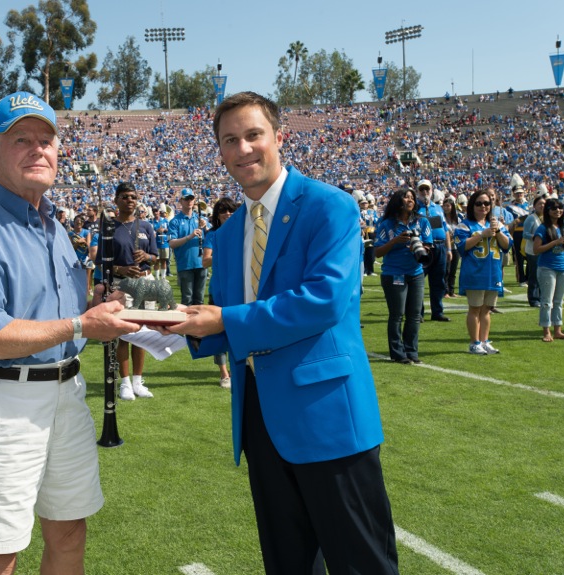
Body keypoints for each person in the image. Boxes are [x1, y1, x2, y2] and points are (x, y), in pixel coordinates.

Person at [166, 92, 399, 574]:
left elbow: (324, 300)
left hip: (327, 415)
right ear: (221, 152)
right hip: (258, 415)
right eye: (231, 140)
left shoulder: (330, 205)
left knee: (362, 564)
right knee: (287, 563)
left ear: (278, 137)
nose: (244, 148)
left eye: (253, 135)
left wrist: (225, 321)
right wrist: (166, 327)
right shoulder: (228, 233)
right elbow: (226, 318)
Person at [0, 91, 138, 575]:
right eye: (20, 138)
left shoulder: (53, 226)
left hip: (66, 392)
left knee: (69, 531)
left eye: (46, 140)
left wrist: (98, 313)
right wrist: (82, 324)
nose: (37, 149)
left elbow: (61, 318)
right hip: (1, 400)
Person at [98, 182, 159, 401]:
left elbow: (156, 256)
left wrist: (147, 257)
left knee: (142, 334)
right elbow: (100, 262)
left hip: (145, 282)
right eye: (124, 197)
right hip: (122, 284)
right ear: (116, 200)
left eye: (133, 196)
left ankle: (137, 381)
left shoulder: (146, 226)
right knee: (124, 334)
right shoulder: (108, 227)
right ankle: (124, 382)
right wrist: (120, 268)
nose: (129, 200)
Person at [374, 189, 433, 364]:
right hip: (394, 273)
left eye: (412, 198)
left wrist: (419, 247)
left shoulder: (422, 222)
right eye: (406, 197)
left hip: (416, 272)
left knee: (414, 315)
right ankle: (398, 353)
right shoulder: (386, 224)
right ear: (397, 201)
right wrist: (395, 241)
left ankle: (411, 351)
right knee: (397, 314)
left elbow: (429, 246)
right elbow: (377, 252)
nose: (410, 200)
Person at [454, 190, 513, 355]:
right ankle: (474, 342)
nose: (483, 206)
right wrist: (482, 235)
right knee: (475, 308)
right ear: (472, 205)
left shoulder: (497, 224)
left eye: (486, 203)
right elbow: (462, 247)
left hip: (493, 272)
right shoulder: (464, 225)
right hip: (475, 272)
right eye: (479, 203)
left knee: (487, 309)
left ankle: (485, 340)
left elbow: (507, 245)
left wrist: (498, 231)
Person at [202, 196, 238, 389]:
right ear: (217, 215)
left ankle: (237, 369)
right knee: (218, 331)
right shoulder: (212, 234)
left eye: (230, 210)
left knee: (238, 327)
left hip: (239, 288)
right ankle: (224, 373)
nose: (227, 214)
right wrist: (223, 254)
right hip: (218, 288)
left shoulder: (243, 232)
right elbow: (205, 261)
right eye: (223, 211)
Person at [533, 198, 564, 342]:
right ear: (548, 211)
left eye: (560, 208)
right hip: (547, 268)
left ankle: (558, 330)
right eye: (554, 208)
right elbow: (536, 249)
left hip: (563, 267)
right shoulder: (542, 228)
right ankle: (546, 331)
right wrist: (555, 242)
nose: (558, 211)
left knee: (558, 301)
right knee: (546, 301)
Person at [416, 179, 451, 321]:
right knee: (418, 280)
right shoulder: (415, 208)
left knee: (438, 281)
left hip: (440, 246)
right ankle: (418, 312)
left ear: (431, 190)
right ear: (417, 191)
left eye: (427, 189)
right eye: (422, 189)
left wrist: (449, 248)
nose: (425, 192)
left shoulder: (437, 208)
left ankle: (437, 311)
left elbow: (445, 229)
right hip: (424, 246)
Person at [168, 188, 207, 305]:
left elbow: (212, 237)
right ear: (181, 201)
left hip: (201, 263)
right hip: (185, 265)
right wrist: (190, 236)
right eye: (186, 199)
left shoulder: (200, 219)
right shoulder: (174, 221)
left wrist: (206, 228)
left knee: (199, 300)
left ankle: (199, 323)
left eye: (191, 198)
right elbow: (172, 243)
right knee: (187, 300)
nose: (189, 201)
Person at [522, 195, 546, 308]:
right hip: (533, 251)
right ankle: (533, 299)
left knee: (543, 275)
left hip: (545, 250)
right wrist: (538, 237)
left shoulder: (547, 217)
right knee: (534, 275)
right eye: (539, 204)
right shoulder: (531, 218)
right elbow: (525, 234)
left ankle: (542, 297)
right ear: (534, 206)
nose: (542, 206)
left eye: (544, 204)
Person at [442, 196, 462, 297]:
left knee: (453, 270)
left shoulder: (457, 218)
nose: (446, 208)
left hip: (455, 246)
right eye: (444, 206)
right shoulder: (442, 218)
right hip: (446, 247)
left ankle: (451, 290)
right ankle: (445, 291)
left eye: (448, 206)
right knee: (446, 269)